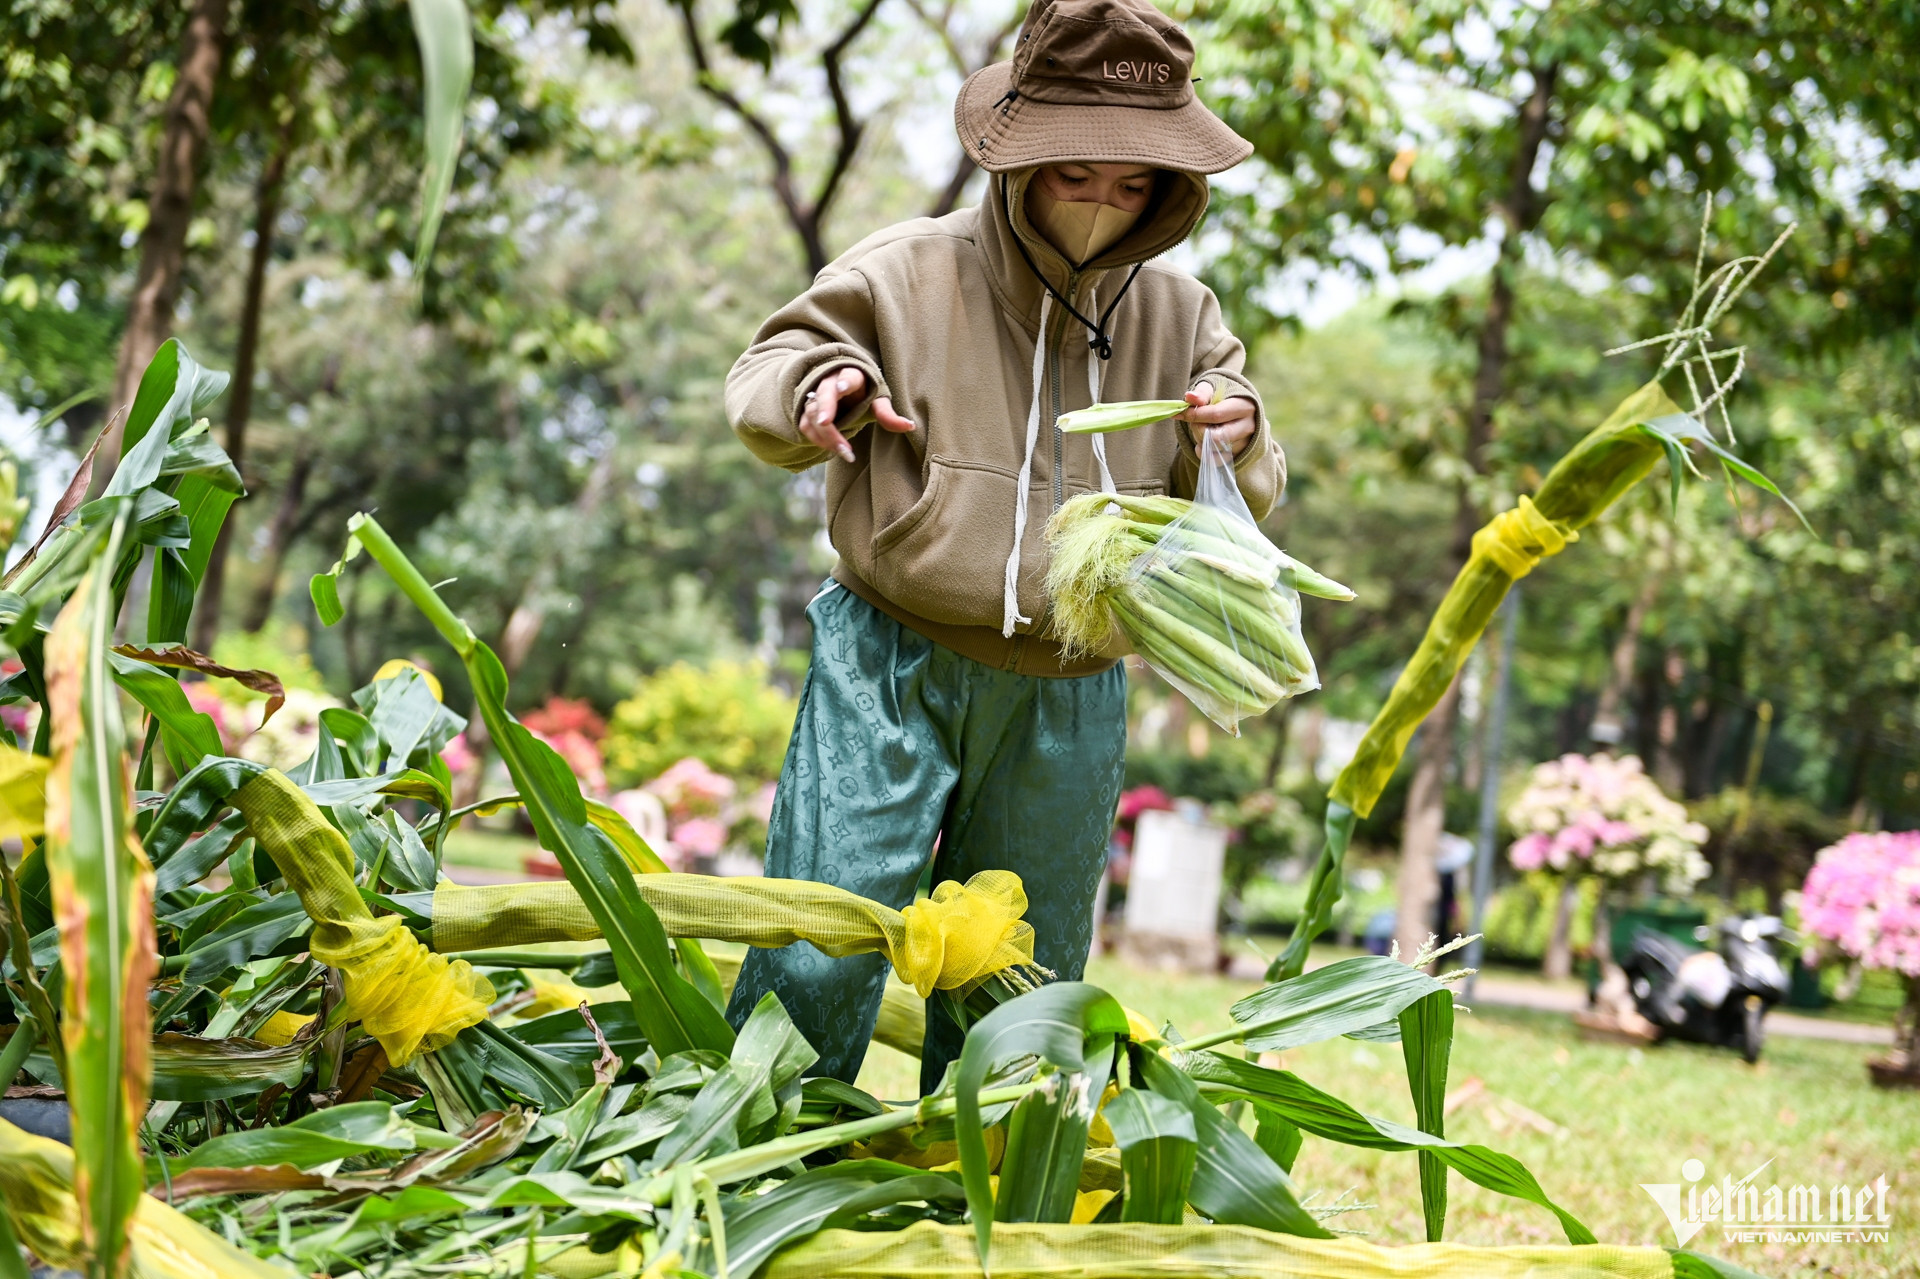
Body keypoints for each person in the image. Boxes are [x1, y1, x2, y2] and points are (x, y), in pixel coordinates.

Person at [723, 0, 1285, 1091]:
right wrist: (818, 385)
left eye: (1134, 187)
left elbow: (1242, 477)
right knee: (823, 933)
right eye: (1076, 177)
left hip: (1070, 686)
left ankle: (976, 1193)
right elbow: (775, 360)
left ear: (1172, 191)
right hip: (892, 653)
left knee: (1020, 985)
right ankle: (756, 1158)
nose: (1101, 206)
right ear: (1017, 162)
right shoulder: (907, 267)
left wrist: (1241, 428)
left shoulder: (1182, 309)